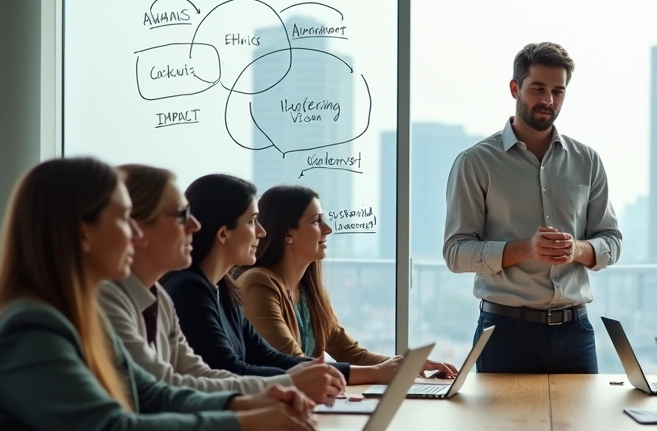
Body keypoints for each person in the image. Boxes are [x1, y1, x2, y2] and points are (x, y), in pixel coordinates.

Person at [0, 158, 319, 431]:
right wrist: (246, 422)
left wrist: (255, 401)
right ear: (83, 232)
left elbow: (155, 394)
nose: (137, 234)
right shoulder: (30, 326)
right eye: (125, 219)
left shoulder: (82, 314)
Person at [443, 42, 622, 373]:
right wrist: (526, 249)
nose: (548, 101)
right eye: (538, 88)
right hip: (504, 332)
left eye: (558, 91)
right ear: (515, 88)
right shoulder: (476, 163)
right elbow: (456, 253)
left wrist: (577, 249)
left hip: (576, 332)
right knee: (501, 427)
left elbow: (612, 241)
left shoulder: (587, 161)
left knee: (583, 426)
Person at [100, 165, 345, 404]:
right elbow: (164, 391)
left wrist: (284, 391)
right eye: (180, 215)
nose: (194, 226)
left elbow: (199, 376)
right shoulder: (181, 291)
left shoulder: (166, 298)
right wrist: (283, 390)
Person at [163, 174, 401, 387]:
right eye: (252, 221)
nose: (261, 231)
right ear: (223, 233)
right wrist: (370, 373)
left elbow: (268, 357)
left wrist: (382, 370)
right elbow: (231, 370)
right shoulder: (191, 290)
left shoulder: (224, 289)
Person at [237, 184, 457, 379]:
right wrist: (377, 373)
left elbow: (351, 353)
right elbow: (293, 363)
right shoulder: (259, 283)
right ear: (288, 234)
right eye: (316, 221)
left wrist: (406, 365)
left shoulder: (309, 291)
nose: (328, 229)